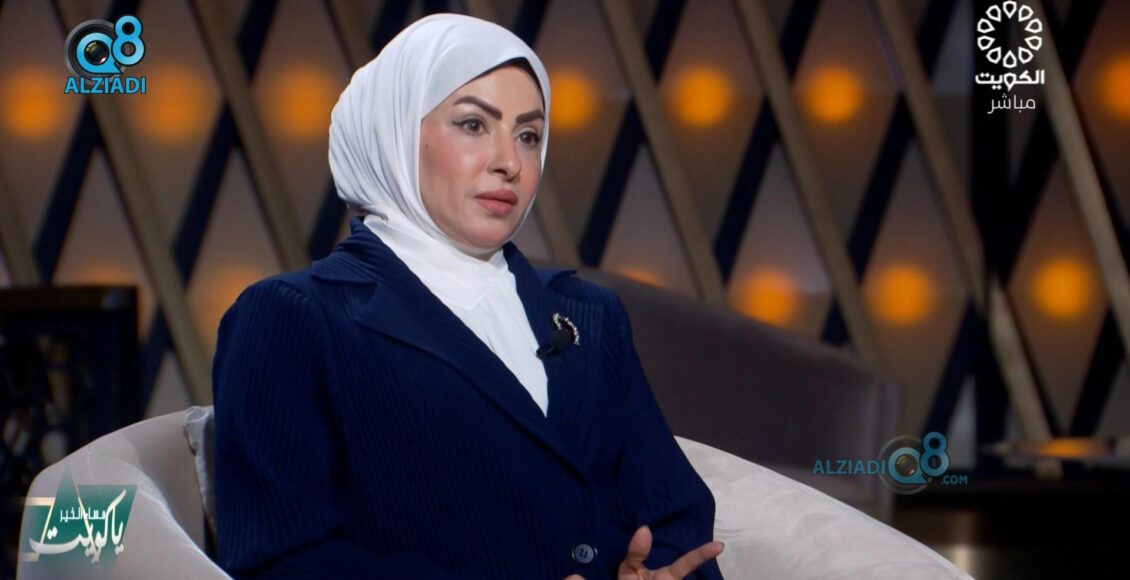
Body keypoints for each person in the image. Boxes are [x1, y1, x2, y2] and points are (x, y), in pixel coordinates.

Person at [211, 13, 724, 579]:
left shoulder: (590, 313)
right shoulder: (293, 317)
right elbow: (283, 558)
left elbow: (675, 514)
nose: (510, 162)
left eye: (529, 135)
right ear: (395, 133)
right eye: (474, 125)